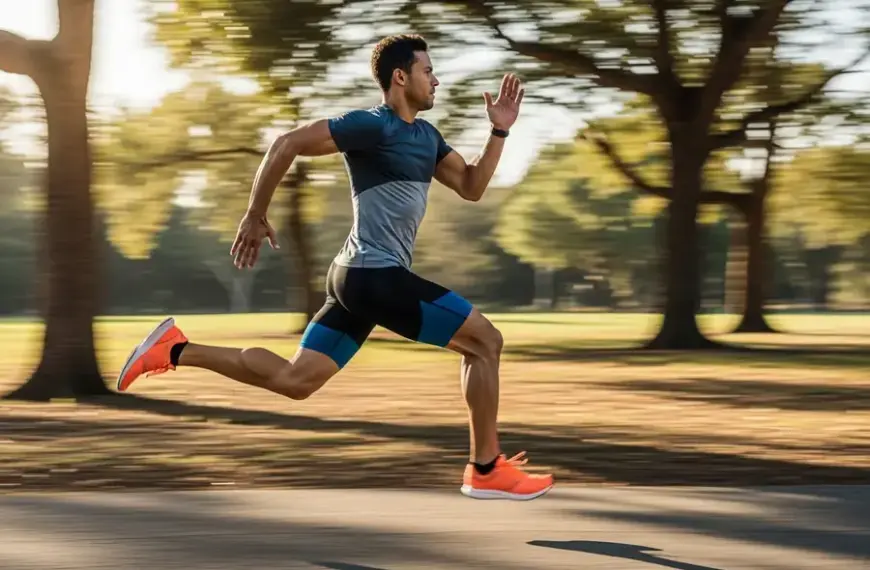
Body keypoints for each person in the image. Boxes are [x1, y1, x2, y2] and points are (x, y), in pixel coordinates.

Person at [117, 34, 554, 501]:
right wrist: (254, 214)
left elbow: (471, 186)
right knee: (485, 342)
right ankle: (485, 468)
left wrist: (500, 132)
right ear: (400, 77)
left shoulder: (427, 137)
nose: (437, 80)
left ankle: (175, 350)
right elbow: (287, 144)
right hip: (373, 275)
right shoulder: (371, 125)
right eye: (428, 71)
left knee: (295, 381)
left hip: (357, 277)